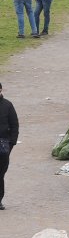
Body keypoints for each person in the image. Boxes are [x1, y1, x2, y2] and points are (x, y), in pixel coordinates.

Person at [0, 81, 18, 210]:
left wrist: (11, 142)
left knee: (0, 173)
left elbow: (14, 125)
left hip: (3, 145)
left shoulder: (7, 105)